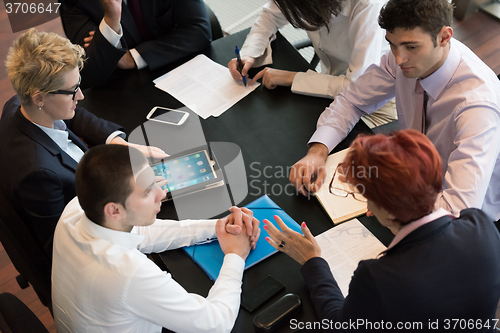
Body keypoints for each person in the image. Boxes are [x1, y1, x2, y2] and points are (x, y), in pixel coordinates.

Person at [290, 0, 500, 221]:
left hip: (461, 219)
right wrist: (317, 151)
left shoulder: (476, 107)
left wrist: (393, 200)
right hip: (414, 181)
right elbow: (352, 100)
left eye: (411, 47)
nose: (399, 59)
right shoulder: (404, 56)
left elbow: (458, 210)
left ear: (444, 37)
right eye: (391, 44)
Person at [266, 129, 500, 327]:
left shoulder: (378, 278)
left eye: (365, 197)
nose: (367, 205)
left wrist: (311, 261)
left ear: (388, 212)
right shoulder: (482, 226)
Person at [52, 144, 260, 332]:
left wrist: (218, 227)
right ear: (114, 210)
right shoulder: (128, 273)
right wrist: (235, 255)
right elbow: (214, 324)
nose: (161, 193)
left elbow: (141, 232)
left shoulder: (76, 209)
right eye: (147, 192)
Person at [0, 29, 165, 258]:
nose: (81, 97)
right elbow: (64, 247)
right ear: (39, 97)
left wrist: (120, 145)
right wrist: (130, 200)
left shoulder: (20, 104)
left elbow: (74, 114)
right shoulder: (39, 175)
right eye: (72, 92)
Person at [228, 0, 396, 128]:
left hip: (377, 102)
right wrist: (250, 53)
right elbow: (271, 14)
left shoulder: (367, 5)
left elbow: (356, 86)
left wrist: (291, 78)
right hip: (330, 83)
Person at [59, 0, 212, 88]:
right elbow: (91, 73)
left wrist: (133, 57)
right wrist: (111, 19)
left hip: (178, 69)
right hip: (122, 88)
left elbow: (199, 31)